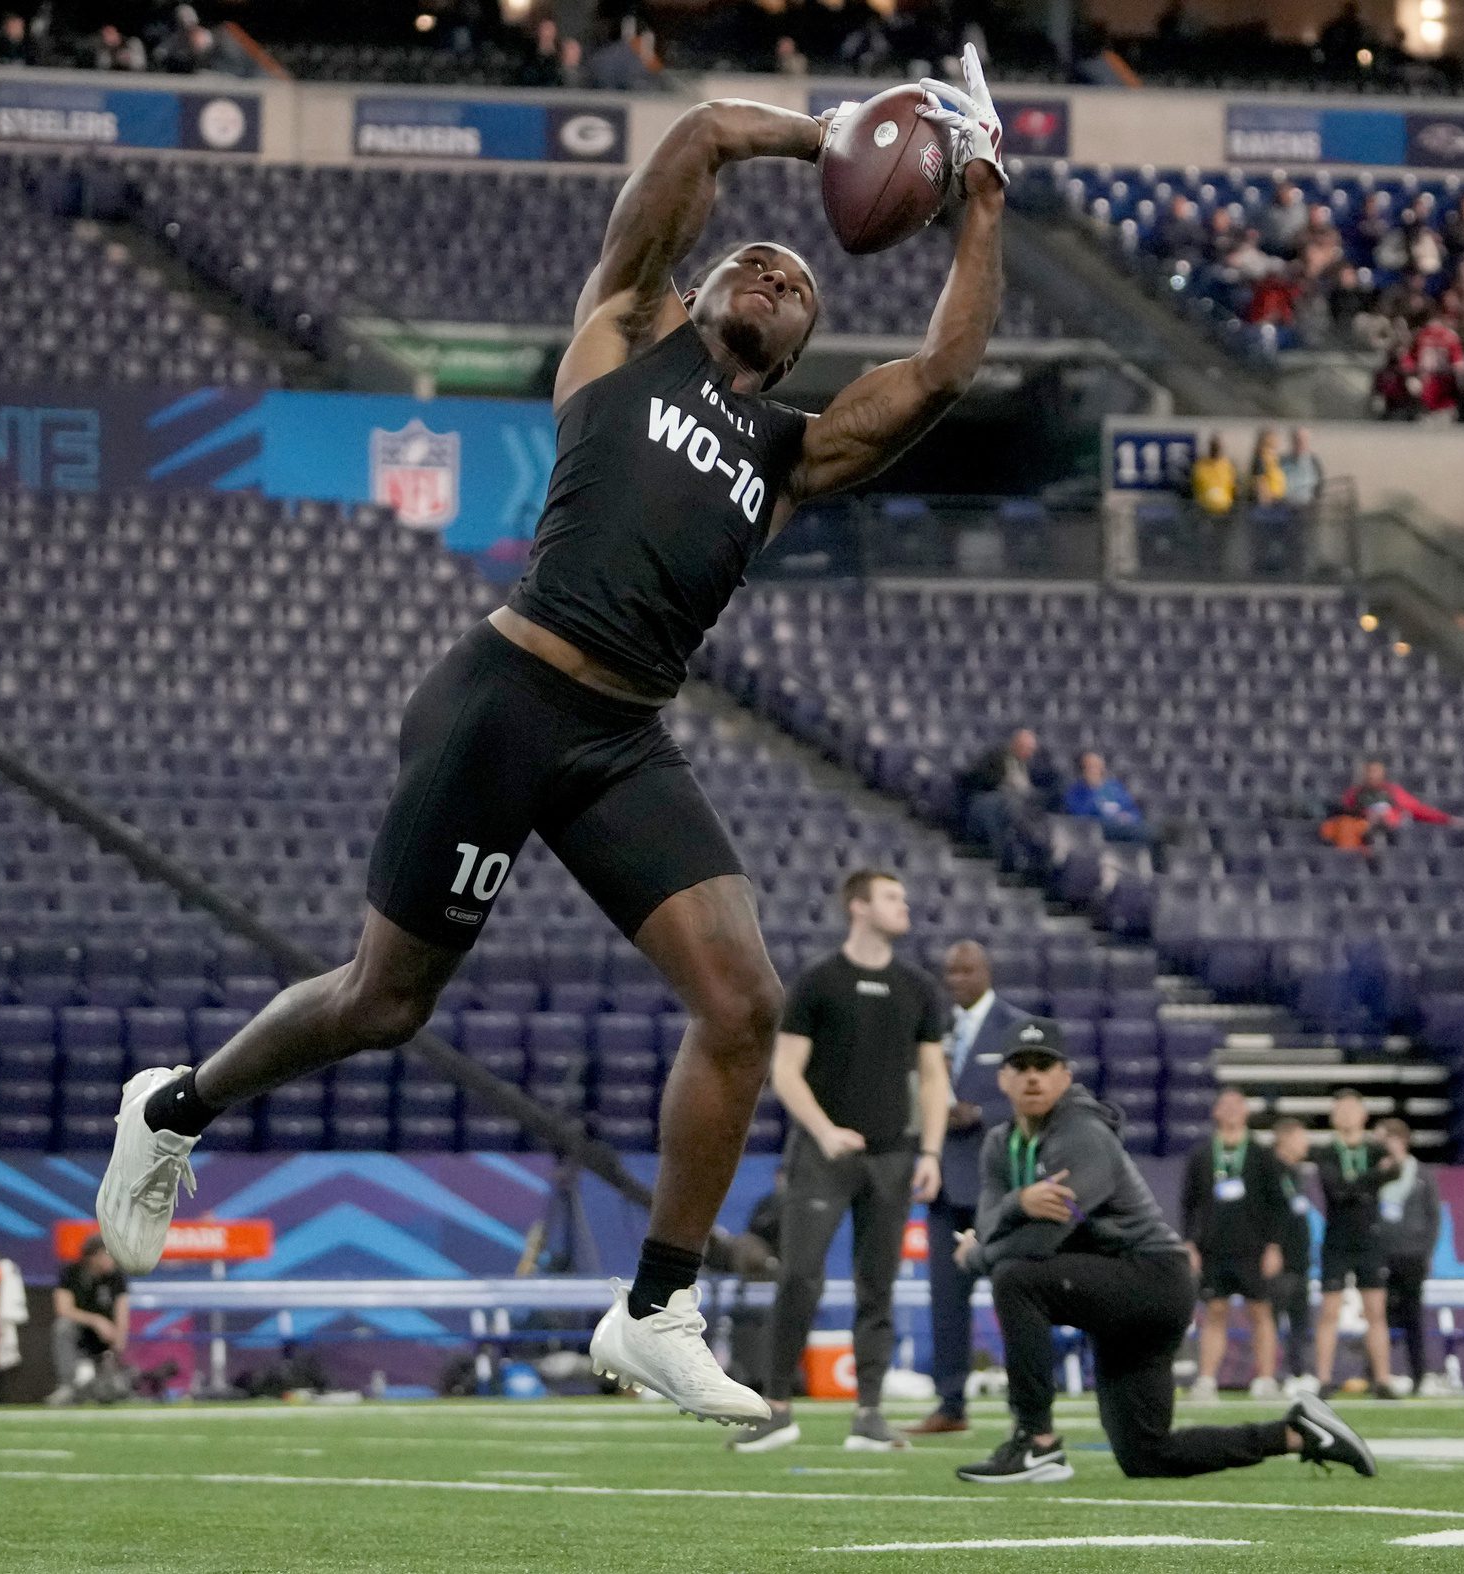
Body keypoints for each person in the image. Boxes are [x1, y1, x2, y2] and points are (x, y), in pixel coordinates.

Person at [94, 57, 1012, 1425]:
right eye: (751, 262)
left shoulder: (788, 454)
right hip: (504, 698)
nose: (772, 274)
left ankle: (656, 1307)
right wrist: (824, 134)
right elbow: (702, 136)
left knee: (746, 1002)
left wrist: (980, 201)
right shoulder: (624, 327)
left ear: (807, 339)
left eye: (797, 283)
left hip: (622, 736)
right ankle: (175, 1107)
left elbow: (939, 370)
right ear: (691, 289)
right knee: (383, 1000)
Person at [950, 1020, 1375, 1483]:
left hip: (1149, 1279)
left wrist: (977, 1253)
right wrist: (1019, 1202)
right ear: (1003, 1078)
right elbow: (991, 1215)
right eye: (1021, 1065)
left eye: (1044, 1065)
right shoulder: (999, 1144)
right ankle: (1297, 1434)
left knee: (1016, 1278)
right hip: (1109, 1286)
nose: (1032, 1076)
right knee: (1147, 1455)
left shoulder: (1083, 1135)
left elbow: (1038, 1242)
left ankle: (1037, 1442)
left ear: (1065, 1076)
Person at [736, 869, 951, 1452]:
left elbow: (933, 1078)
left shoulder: (918, 988)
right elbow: (784, 1072)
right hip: (823, 1156)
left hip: (893, 1156)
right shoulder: (818, 982)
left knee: (876, 1286)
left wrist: (929, 1150)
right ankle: (775, 1409)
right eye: (891, 897)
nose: (904, 905)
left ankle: (869, 1415)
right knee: (799, 1276)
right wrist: (825, 1131)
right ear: (857, 906)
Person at [906, 939, 1031, 1436]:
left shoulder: (1016, 1028)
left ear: (987, 970)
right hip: (943, 1184)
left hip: (999, 1186)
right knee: (946, 1302)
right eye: (949, 971)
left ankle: (1028, 1404)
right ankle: (950, 1403)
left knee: (1016, 1296)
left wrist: (981, 1114)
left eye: (965, 970)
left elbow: (1041, 1096)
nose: (955, 979)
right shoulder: (932, 1030)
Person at [1179, 1087, 1282, 1403]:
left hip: (1252, 1246)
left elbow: (1276, 1203)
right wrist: (1190, 1244)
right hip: (1213, 1246)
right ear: (1216, 1112)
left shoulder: (1261, 1155)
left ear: (1246, 1112)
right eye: (1226, 1105)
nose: (1232, 1110)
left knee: (1260, 1311)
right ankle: (1208, 1379)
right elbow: (1189, 1203)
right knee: (1215, 1311)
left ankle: (1265, 1378)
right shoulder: (1202, 1155)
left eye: (1238, 1105)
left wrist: (1274, 1245)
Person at [1312, 1089, 1399, 1396]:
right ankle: (1323, 1378)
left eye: (1353, 1109)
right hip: (1337, 1238)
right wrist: (1372, 1179)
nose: (1347, 1115)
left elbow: (1395, 1170)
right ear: (1334, 1116)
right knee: (1330, 1311)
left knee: (1375, 1310)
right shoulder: (1326, 1151)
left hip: (1369, 1237)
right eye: (1341, 1110)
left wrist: (1358, 1184)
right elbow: (1335, 1187)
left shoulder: (1375, 1149)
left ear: (1363, 1115)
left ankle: (1383, 1378)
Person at [1376, 1116, 1441, 1397]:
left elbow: (1433, 1215)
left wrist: (1427, 1250)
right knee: (1378, 1315)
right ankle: (1378, 1373)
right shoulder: (1375, 1170)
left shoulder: (1421, 1173)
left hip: (1412, 1252)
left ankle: (1419, 1373)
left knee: (1413, 1314)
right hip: (1381, 1251)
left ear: (1400, 1140)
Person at [1261, 1115, 1318, 1391]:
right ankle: (1268, 1373)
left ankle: (1298, 1371)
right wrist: (1271, 1246)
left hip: (1299, 1256)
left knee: (1299, 1317)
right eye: (1301, 1137)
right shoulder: (1269, 1170)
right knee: (1272, 1315)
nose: (1305, 1143)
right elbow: (1271, 1213)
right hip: (1279, 1256)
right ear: (1285, 1139)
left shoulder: (1297, 1172)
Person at [48, 1237, 131, 1406]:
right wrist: (96, 1321)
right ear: (93, 1257)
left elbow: (122, 1312)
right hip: (80, 1335)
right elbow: (63, 1309)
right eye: (106, 1254)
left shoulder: (116, 1277)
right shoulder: (71, 1273)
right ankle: (68, 1384)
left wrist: (119, 1339)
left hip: (104, 1341)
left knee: (113, 1392)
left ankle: (100, 1382)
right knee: (62, 1326)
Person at [957, 727, 1060, 863]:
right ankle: (1004, 853)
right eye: (1027, 749)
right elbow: (976, 779)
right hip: (991, 800)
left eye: (1031, 750)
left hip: (1019, 802)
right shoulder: (996, 757)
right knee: (1008, 805)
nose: (1029, 753)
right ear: (1016, 744)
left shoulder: (1029, 765)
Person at [1062, 751, 1148, 843]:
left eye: (1097, 766)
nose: (1095, 770)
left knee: (1148, 832)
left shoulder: (1113, 787)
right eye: (1090, 766)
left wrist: (1129, 817)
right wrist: (1093, 790)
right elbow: (1079, 815)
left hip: (1122, 828)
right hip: (1097, 831)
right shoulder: (1075, 791)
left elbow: (1132, 810)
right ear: (1082, 769)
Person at [1191, 435, 1237, 517]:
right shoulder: (1200, 465)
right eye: (1213, 447)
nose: (1215, 450)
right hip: (1204, 508)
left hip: (1225, 510)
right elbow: (1195, 486)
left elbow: (1233, 486)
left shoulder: (1228, 465)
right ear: (1209, 448)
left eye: (1218, 447)